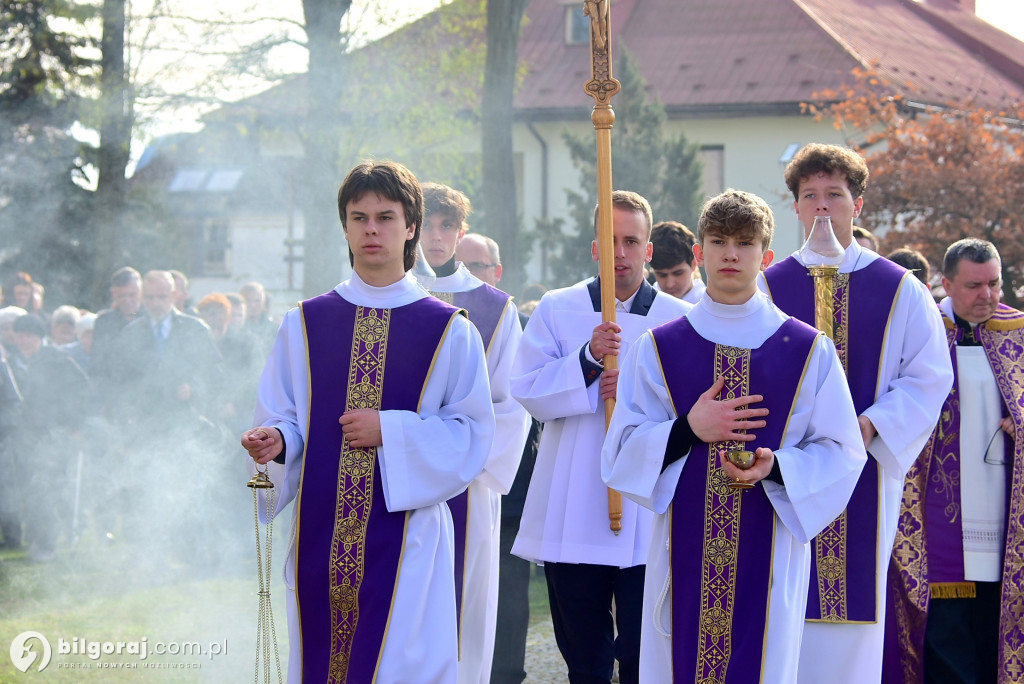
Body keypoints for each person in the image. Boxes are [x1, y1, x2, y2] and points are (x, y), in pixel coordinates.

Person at [241, 160, 495, 684]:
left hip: (409, 544)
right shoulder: (305, 323)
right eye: (359, 217)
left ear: (411, 228)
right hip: (320, 536)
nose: (371, 229)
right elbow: (287, 413)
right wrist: (277, 441)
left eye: (385, 216)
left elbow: (472, 433)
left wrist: (393, 431)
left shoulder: (448, 329)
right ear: (346, 226)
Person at [603, 189, 866, 682]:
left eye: (744, 243)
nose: (730, 254)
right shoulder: (658, 347)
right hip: (680, 550)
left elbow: (842, 451)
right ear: (699, 253)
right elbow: (619, 452)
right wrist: (688, 430)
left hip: (770, 547)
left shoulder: (808, 349)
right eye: (719, 241)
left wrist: (779, 466)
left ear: (766, 256)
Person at [758, 143, 953, 683]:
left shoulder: (900, 289)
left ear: (858, 205)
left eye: (834, 195)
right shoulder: (765, 286)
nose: (822, 208)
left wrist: (872, 424)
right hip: (781, 472)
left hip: (864, 469)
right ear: (794, 207)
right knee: (779, 606)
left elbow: (929, 376)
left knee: (849, 620)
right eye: (810, 196)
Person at [511, 190, 691, 684]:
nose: (620, 253)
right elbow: (525, 389)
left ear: (649, 249)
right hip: (575, 500)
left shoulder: (679, 317)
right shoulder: (558, 308)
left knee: (642, 651)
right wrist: (586, 363)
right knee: (584, 657)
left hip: (643, 507)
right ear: (594, 247)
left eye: (632, 241)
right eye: (610, 241)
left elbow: (692, 410)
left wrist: (633, 390)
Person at [885, 238, 1023, 684]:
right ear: (945, 284)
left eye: (995, 284)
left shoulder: (1017, 333)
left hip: (1003, 510)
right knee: (946, 633)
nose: (988, 296)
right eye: (974, 285)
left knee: (995, 623)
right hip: (938, 515)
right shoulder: (921, 333)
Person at [419, 185, 530, 684]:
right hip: (398, 481)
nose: (435, 237)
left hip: (468, 483)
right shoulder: (384, 296)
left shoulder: (494, 308)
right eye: (426, 224)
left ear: (461, 233)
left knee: (466, 610)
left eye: (446, 226)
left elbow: (510, 406)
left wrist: (461, 462)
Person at [454, 233, 535, 684]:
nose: (467, 278)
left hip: (495, 480)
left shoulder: (506, 316)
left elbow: (515, 406)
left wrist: (475, 463)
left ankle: (505, 674)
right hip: (436, 479)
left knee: (502, 593)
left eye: (477, 268)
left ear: (496, 272)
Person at [8, 314, 89, 561]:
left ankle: (46, 545)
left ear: (40, 338)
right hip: (26, 437)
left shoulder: (57, 360)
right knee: (31, 491)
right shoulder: (14, 362)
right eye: (21, 335)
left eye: (31, 336)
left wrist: (74, 424)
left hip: (54, 436)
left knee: (46, 490)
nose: (25, 341)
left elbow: (82, 389)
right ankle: (38, 541)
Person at [649, 220, 705, 303]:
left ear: (694, 264)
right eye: (662, 275)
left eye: (678, 273)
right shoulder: (644, 307)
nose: (670, 284)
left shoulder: (713, 307)